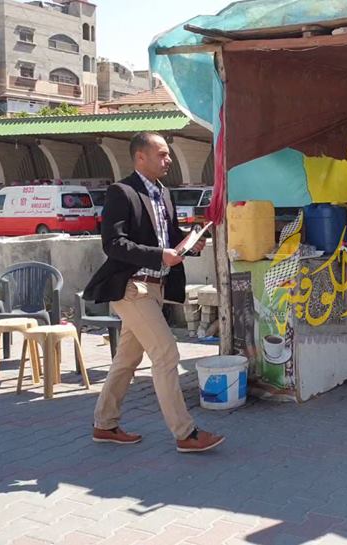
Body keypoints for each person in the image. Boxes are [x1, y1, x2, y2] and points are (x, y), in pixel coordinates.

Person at [83, 132, 224, 453]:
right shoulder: (122, 192)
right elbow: (113, 244)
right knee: (166, 353)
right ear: (140, 157)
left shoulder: (163, 193)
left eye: (168, 154)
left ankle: (104, 424)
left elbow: (168, 236)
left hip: (157, 287)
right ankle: (185, 434)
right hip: (132, 286)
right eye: (161, 154)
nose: (168, 160)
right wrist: (160, 255)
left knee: (127, 359)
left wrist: (189, 243)